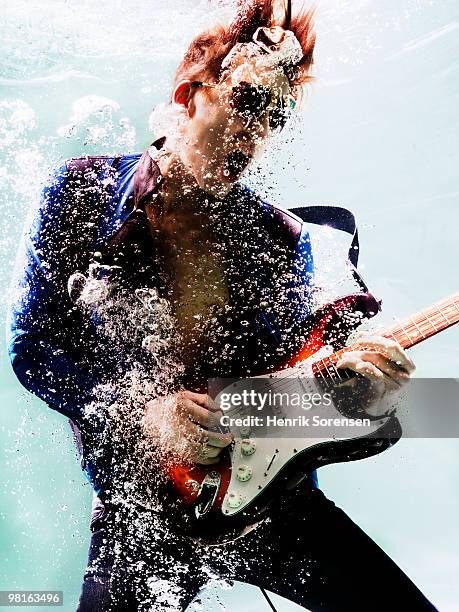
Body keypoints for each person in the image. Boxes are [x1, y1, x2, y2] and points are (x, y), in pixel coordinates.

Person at [7, 1, 436, 610]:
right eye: (249, 104)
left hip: (274, 515)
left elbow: (292, 386)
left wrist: (352, 390)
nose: (258, 135)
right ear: (189, 93)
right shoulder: (79, 194)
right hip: (143, 523)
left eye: (276, 118)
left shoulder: (280, 242)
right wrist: (144, 410)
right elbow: (33, 350)